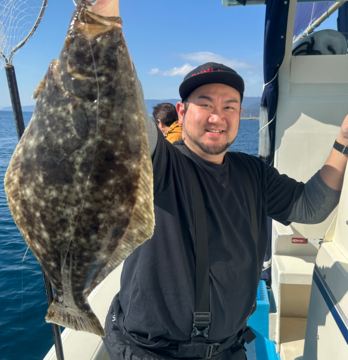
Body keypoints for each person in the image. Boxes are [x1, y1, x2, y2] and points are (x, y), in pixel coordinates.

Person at [89, 2, 348, 360]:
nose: (217, 116)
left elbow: (313, 207)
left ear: (241, 114)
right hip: (152, 353)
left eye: (229, 106)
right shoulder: (159, 164)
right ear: (181, 111)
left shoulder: (254, 173)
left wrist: (343, 141)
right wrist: (102, 16)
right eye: (205, 103)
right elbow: (120, 96)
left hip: (228, 350)